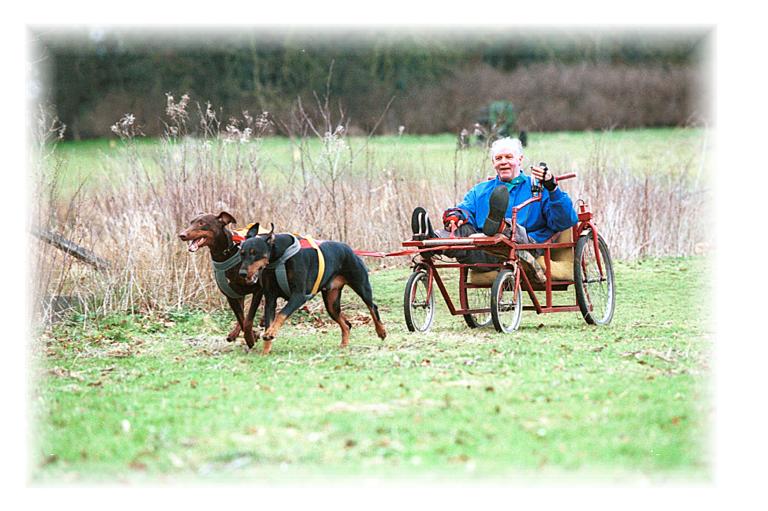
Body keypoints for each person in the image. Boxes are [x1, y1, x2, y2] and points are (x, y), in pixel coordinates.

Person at [411, 137, 578, 283]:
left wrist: (552, 187)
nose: (503, 161)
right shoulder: (481, 190)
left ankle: (499, 227)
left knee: (508, 229)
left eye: (508, 157)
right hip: (485, 249)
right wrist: (455, 216)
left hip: (525, 245)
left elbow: (565, 220)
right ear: (493, 163)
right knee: (462, 229)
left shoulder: (539, 188)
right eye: (498, 158)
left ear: (520, 160)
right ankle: (433, 241)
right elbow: (466, 209)